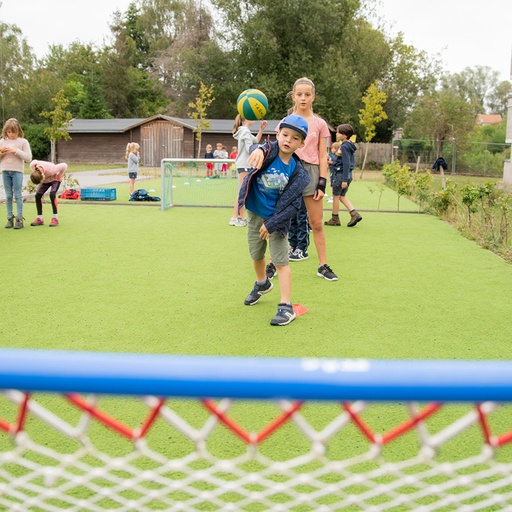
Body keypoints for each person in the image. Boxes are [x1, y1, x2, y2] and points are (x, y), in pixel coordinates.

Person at [251, 77, 338, 281]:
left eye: (307, 94)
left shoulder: (320, 124)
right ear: (293, 96)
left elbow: (322, 154)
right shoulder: (285, 122)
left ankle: (323, 265)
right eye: (299, 94)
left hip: (311, 172)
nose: (303, 98)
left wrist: (322, 182)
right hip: (288, 170)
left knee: (316, 223)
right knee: (279, 218)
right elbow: (274, 147)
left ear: (313, 97)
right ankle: (273, 262)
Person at [238, 114, 310, 326]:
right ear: (278, 134)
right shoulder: (268, 151)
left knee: (280, 261)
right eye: (285, 134)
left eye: (295, 138)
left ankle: (286, 306)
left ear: (301, 143)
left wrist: (272, 224)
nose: (288, 140)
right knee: (256, 254)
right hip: (254, 214)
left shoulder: (299, 173)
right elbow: (255, 149)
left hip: (277, 222)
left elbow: (294, 205)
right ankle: (262, 284)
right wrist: (258, 149)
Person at [230, 115, 268, 227]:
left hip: (244, 164)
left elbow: (255, 140)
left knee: (244, 191)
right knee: (242, 191)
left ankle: (241, 217)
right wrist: (262, 149)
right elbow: (249, 148)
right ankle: (234, 217)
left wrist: (261, 129)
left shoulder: (244, 131)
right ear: (245, 119)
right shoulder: (245, 131)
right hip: (244, 164)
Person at [324, 124, 362, 227]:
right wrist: (332, 162)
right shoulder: (349, 145)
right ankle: (354, 213)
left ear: (345, 135)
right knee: (341, 196)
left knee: (336, 196)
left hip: (341, 175)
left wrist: (344, 180)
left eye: (338, 132)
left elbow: (346, 163)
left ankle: (335, 218)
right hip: (347, 174)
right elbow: (341, 161)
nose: (336, 134)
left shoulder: (344, 146)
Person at [0, 118, 32, 229]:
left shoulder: (23, 142)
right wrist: (2, 152)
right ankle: (9, 218)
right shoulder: (2, 142)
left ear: (18, 131)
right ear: (5, 131)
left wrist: (16, 151)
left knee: (18, 195)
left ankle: (19, 219)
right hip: (5, 171)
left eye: (13, 132)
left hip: (17, 171)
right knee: (8, 195)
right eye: (9, 132)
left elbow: (28, 158)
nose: (11, 134)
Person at [29, 160, 68, 227]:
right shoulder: (33, 165)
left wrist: (59, 175)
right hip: (46, 180)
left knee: (52, 195)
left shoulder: (52, 170)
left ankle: (55, 218)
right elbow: (34, 161)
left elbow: (64, 165)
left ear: (42, 176)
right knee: (37, 196)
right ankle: (40, 219)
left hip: (55, 179)